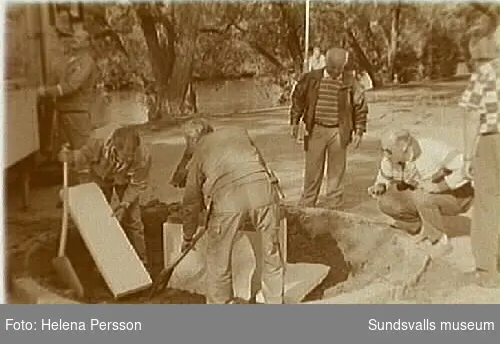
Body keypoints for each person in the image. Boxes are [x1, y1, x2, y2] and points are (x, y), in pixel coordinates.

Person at [176, 118, 284, 304]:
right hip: (263, 193)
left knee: (218, 260)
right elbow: (262, 164)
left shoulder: (199, 151)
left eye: (187, 142)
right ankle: (275, 303)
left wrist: (187, 236)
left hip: (229, 201)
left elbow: (191, 202)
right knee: (271, 253)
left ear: (193, 140)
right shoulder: (237, 132)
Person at [367, 129, 474, 257]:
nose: (385, 155)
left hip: (458, 196)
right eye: (383, 150)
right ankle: (414, 226)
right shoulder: (390, 159)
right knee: (386, 200)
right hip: (425, 193)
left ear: (404, 147)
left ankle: (439, 241)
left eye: (389, 151)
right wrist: (379, 186)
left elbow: (468, 168)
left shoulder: (432, 148)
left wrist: (439, 186)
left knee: (421, 195)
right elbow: (384, 177)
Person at [58, 125, 151, 269]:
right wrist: (70, 157)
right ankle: (100, 261)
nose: (129, 158)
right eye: (125, 155)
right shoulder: (97, 141)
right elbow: (84, 156)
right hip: (101, 175)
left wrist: (125, 203)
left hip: (126, 180)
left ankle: (141, 263)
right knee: (99, 217)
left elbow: (137, 184)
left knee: (133, 220)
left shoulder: (143, 155)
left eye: (132, 154)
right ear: (115, 147)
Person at [290, 47, 369, 208]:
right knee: (312, 169)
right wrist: (294, 121)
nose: (335, 72)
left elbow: (360, 107)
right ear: (325, 63)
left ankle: (334, 205)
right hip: (316, 129)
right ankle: (307, 203)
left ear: (343, 66)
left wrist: (359, 131)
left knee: (336, 171)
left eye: (339, 69)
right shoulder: (311, 79)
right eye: (332, 68)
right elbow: (298, 99)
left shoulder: (350, 82)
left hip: (339, 131)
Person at [458, 25, 500, 288]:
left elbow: (472, 114)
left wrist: (467, 156)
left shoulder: (485, 73)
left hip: (491, 141)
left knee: (487, 205)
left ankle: (487, 272)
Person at [38, 28, 98, 152]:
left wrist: (45, 91)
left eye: (79, 38)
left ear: (87, 43)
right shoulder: (65, 61)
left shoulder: (86, 62)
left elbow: (72, 86)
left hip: (78, 114)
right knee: (64, 156)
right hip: (61, 113)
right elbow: (53, 78)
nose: (74, 40)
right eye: (74, 37)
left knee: (82, 153)